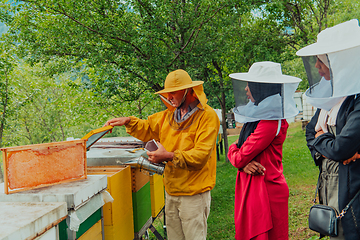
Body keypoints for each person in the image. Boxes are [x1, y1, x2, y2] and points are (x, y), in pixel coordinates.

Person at [104, 69, 220, 240]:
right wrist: (128, 121)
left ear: (188, 91)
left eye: (173, 92)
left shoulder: (207, 117)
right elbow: (147, 128)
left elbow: (200, 156)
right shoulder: (168, 116)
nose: (169, 97)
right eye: (167, 93)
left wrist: (168, 156)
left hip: (194, 195)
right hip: (172, 191)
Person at [297, 19, 360, 239]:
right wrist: (325, 149)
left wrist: (322, 138)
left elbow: (342, 147)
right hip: (329, 181)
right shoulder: (332, 97)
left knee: (348, 231)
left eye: (321, 60)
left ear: (338, 62)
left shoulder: (357, 100)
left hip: (351, 187)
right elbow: (309, 132)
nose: (316, 66)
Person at [227, 61, 301, 240]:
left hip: (265, 190)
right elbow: (237, 150)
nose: (245, 89)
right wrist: (241, 163)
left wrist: (239, 159)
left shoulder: (270, 121)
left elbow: (239, 155)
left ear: (260, 88)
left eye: (249, 85)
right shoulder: (259, 115)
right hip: (254, 186)